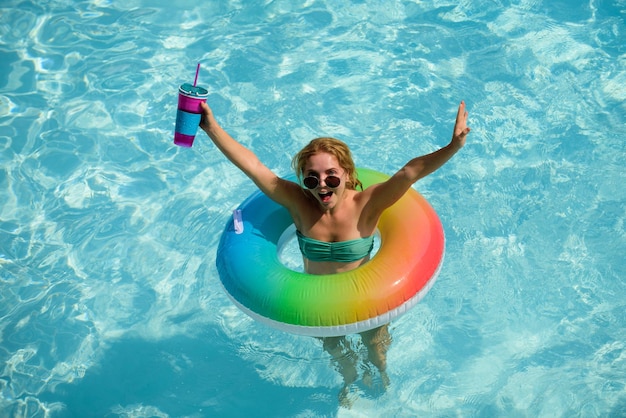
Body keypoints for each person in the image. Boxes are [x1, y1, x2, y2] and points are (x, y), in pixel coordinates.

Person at [199, 100, 470, 406]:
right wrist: (211, 127)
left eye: (331, 175)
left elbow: (410, 172)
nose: (323, 185)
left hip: (368, 301)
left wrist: (453, 146)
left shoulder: (367, 205)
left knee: (375, 348)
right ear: (303, 180)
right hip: (318, 304)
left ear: (347, 172)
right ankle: (350, 381)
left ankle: (380, 376)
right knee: (337, 352)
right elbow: (253, 167)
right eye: (312, 178)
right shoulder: (299, 204)